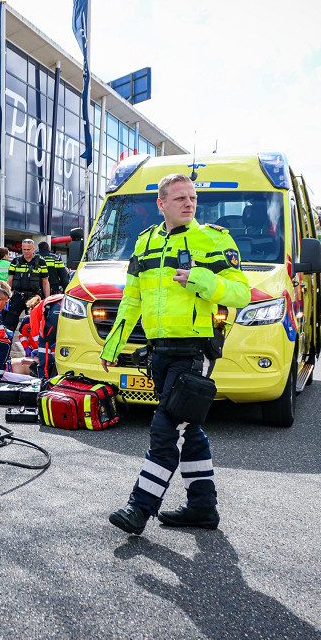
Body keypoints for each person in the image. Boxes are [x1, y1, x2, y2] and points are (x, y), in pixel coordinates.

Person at [101, 173, 250, 536]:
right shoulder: (145, 243)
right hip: (159, 353)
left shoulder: (213, 240)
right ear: (162, 203)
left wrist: (201, 279)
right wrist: (113, 346)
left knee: (165, 430)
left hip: (193, 351)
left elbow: (241, 294)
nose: (189, 203)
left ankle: (140, 508)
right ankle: (202, 507)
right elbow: (131, 300)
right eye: (181, 198)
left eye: (193, 198)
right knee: (189, 430)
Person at [5, 239, 50, 331]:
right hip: (18, 295)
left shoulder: (41, 262)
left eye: (28, 249)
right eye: (24, 249)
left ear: (33, 249)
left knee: (33, 324)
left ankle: (32, 344)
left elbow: (45, 282)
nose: (25, 252)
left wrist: (47, 300)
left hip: (34, 297)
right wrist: (6, 295)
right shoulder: (15, 261)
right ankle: (7, 343)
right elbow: (10, 280)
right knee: (9, 323)